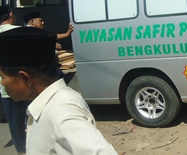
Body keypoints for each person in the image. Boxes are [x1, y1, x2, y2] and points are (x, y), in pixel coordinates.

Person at [0, 26, 118, 154]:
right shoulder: (47, 105)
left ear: (25, 78)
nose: (2, 83)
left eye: (3, 77)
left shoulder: (61, 112)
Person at [0, 5, 28, 155]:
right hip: (27, 83)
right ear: (11, 15)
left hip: (6, 87)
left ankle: (21, 150)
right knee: (33, 116)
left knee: (14, 121)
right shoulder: (20, 32)